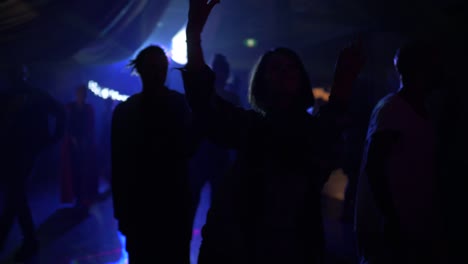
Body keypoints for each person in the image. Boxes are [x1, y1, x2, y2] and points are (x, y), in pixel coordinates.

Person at [181, 1, 365, 263]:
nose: (284, 73)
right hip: (244, 245)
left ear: (301, 78)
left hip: (291, 244)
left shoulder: (299, 130)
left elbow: (325, 136)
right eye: (276, 68)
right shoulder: (253, 127)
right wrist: (194, 36)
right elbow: (204, 102)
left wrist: (344, 82)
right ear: (262, 80)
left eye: (290, 68)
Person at [354, 41, 447, 264]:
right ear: (420, 70)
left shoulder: (414, 108)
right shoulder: (394, 109)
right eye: (435, 66)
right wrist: (390, 218)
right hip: (395, 228)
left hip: (408, 223)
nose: (441, 72)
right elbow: (375, 168)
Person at [111, 45, 199, 264]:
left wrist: (121, 211)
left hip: (149, 205)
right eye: (154, 67)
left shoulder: (126, 111)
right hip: (168, 204)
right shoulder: (178, 104)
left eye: (160, 67)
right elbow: (189, 148)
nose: (157, 72)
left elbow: (118, 165)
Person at [0, 65, 65, 261]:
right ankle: (28, 242)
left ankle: (24, 241)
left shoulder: (20, 95)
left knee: (15, 196)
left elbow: (60, 112)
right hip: (20, 151)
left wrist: (52, 139)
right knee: (15, 197)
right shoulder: (29, 95)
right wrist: (51, 139)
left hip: (21, 152)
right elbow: (60, 112)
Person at [189, 54, 236, 220]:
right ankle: (216, 241)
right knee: (218, 204)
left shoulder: (201, 94)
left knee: (193, 203)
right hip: (217, 155)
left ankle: (185, 241)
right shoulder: (231, 98)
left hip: (202, 155)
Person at [60, 85, 97, 211]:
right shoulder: (70, 107)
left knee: (83, 172)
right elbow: (68, 125)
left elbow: (90, 126)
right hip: (72, 144)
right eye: (80, 92)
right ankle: (77, 197)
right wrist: (73, 139)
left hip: (85, 144)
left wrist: (84, 140)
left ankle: (82, 197)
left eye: (83, 93)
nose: (82, 95)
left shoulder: (88, 109)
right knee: (74, 171)